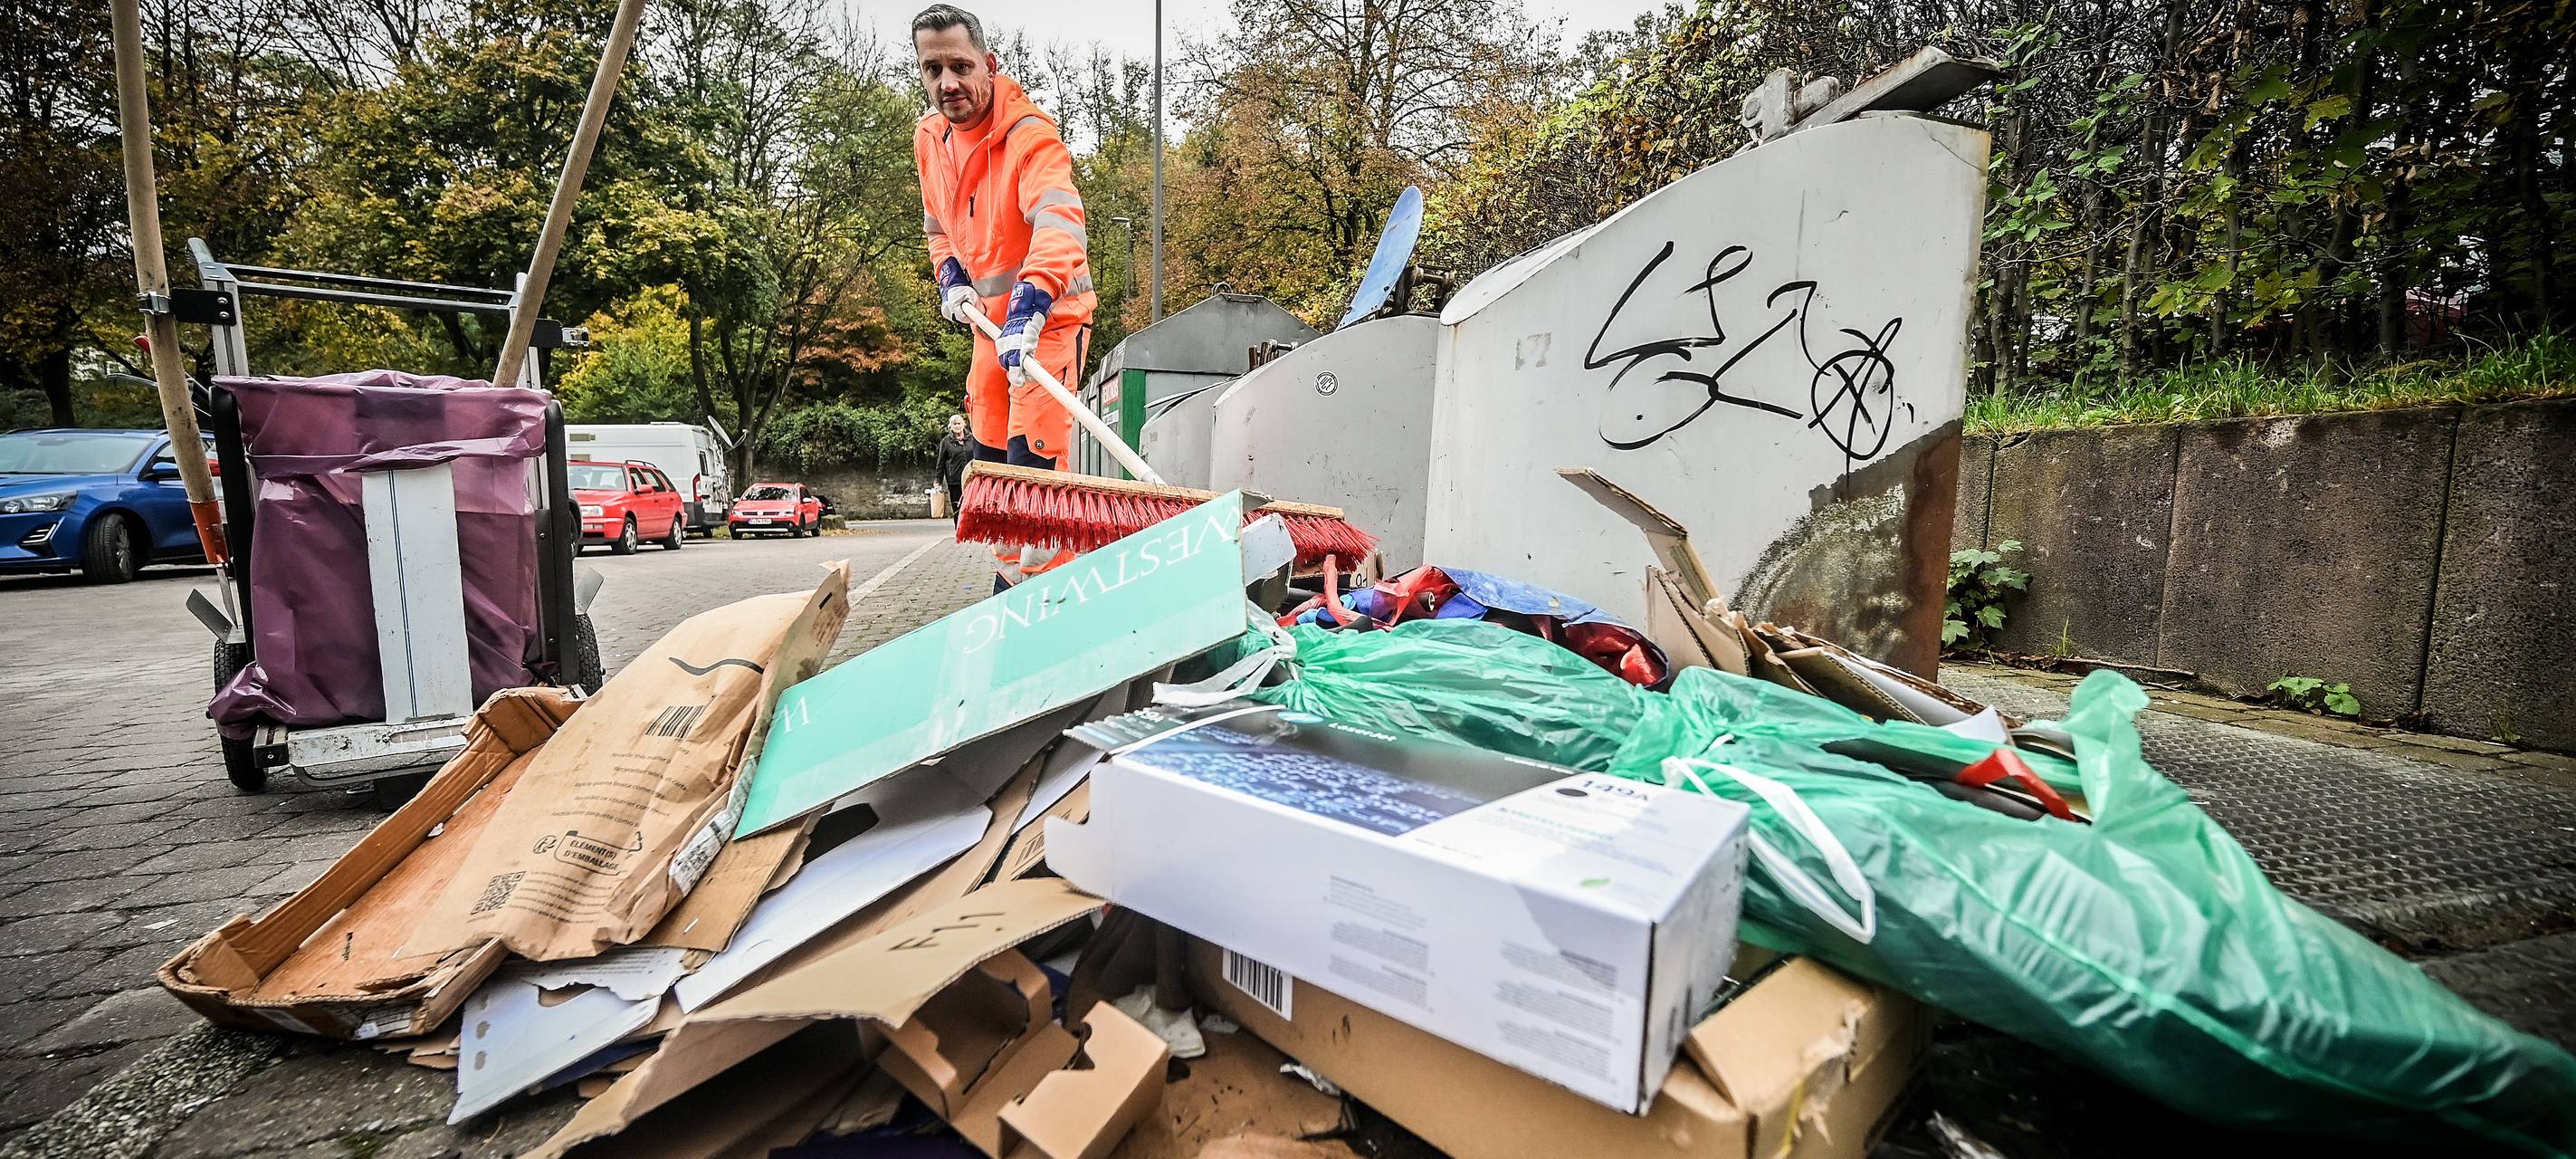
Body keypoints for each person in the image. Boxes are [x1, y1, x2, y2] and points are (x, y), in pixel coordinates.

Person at [911, 4, 1094, 586]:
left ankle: (1052, 593)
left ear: (989, 65)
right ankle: (1010, 586)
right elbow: (938, 228)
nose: (949, 83)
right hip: (988, 330)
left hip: (1049, 323)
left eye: (961, 66)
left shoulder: (1029, 137)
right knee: (990, 463)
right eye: (933, 68)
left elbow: (1060, 220)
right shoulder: (930, 139)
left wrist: (1032, 304)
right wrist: (951, 278)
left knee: (1034, 469)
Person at [935, 412, 973, 517]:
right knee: (957, 507)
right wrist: (938, 481)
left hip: (971, 479)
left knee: (971, 507)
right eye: (954, 424)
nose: (957, 426)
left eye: (959, 423)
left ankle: (970, 531)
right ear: (950, 427)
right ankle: (959, 531)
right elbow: (941, 462)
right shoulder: (946, 442)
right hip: (954, 480)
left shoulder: (972, 439)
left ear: (964, 425)